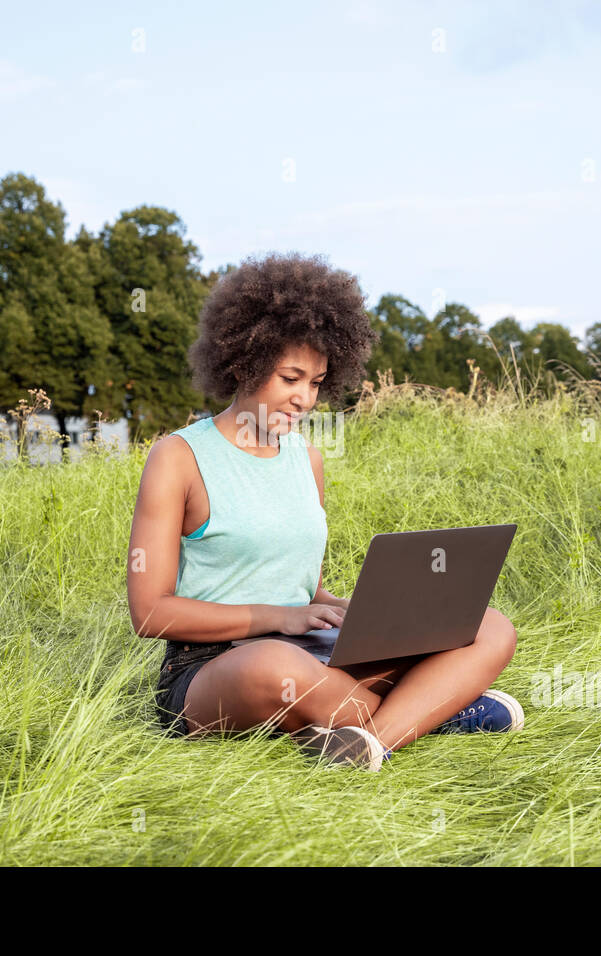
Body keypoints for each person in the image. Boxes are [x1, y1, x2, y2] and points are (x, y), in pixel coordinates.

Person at [126, 252, 522, 771]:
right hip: (214, 664)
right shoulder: (177, 458)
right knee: (273, 666)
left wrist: (348, 608)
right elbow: (151, 612)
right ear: (245, 360)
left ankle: (366, 740)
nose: (305, 399)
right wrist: (279, 619)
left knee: (490, 626)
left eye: (315, 383)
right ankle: (434, 711)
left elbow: (301, 590)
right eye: (291, 378)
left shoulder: (307, 459)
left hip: (312, 647)